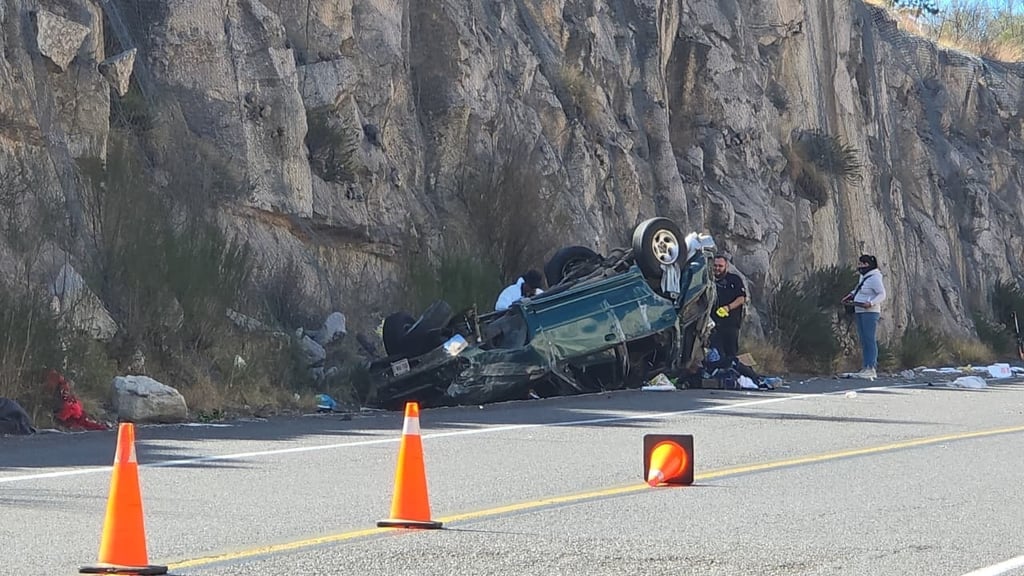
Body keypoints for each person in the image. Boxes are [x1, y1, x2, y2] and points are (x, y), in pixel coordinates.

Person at [842, 254, 887, 380]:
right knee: (863, 339)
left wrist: (871, 303)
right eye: (860, 263)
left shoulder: (875, 278)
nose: (861, 266)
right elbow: (860, 290)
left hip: (870, 312)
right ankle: (865, 366)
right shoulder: (864, 277)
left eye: (864, 264)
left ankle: (871, 368)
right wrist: (850, 295)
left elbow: (882, 294)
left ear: (870, 265)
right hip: (860, 310)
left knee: (869, 339)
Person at [709, 255, 747, 359]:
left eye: (720, 266)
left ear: (726, 266)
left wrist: (728, 307)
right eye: (715, 266)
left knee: (730, 354)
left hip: (730, 324)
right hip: (713, 325)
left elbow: (742, 298)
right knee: (715, 354)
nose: (717, 268)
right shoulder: (709, 281)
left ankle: (732, 372)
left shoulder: (734, 279)